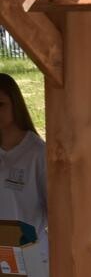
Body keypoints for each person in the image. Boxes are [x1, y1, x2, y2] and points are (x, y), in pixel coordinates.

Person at [0, 72, 47, 260]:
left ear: (15, 106)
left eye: (0, 105)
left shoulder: (38, 153)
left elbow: (58, 212)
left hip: (30, 256)